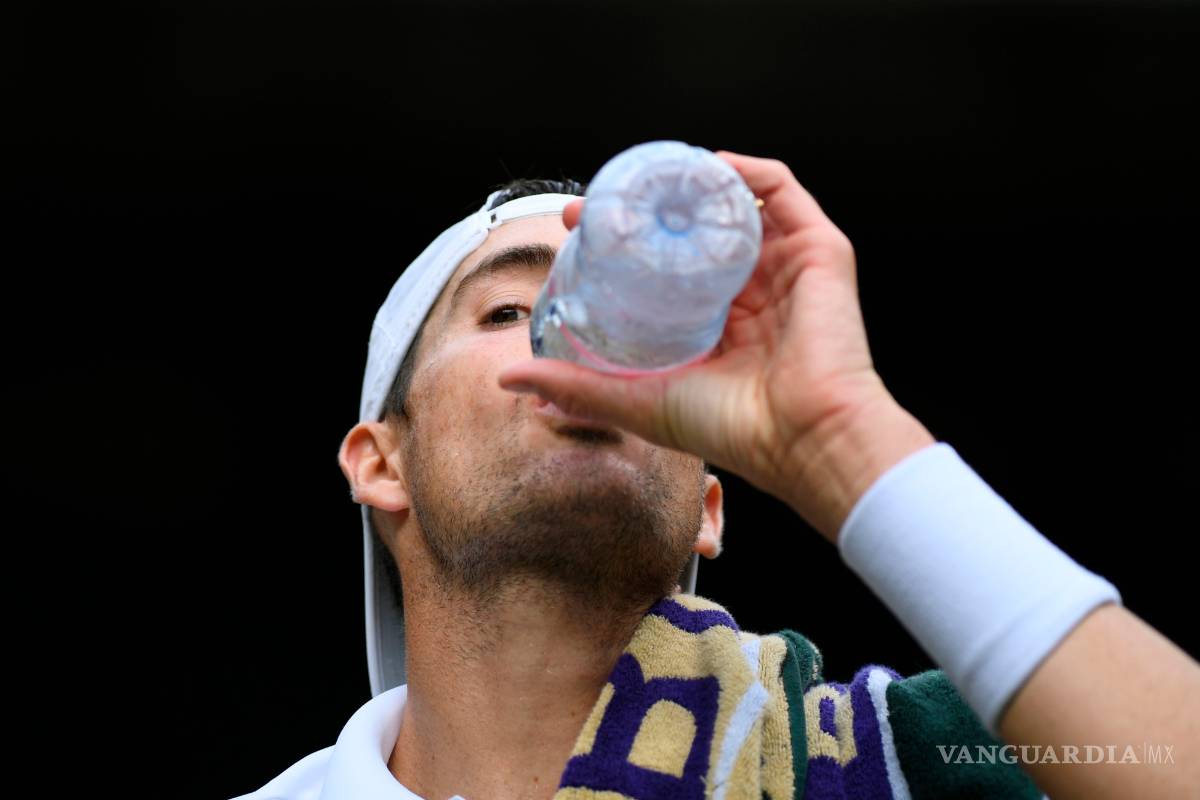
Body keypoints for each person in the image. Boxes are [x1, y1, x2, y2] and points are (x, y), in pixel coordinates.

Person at [231, 152, 1200, 800]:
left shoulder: (914, 754)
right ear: (380, 460)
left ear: (709, 506)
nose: (585, 357)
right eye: (506, 312)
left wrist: (842, 439)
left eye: (648, 336)